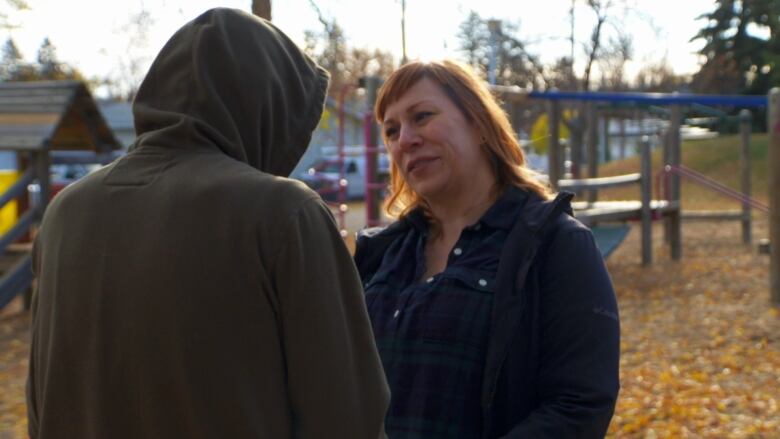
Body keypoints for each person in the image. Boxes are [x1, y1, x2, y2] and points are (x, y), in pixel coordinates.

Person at [27, 8, 389, 439]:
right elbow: (348, 418)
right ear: (268, 107)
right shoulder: (283, 213)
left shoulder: (66, 212)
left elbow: (40, 403)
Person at [354, 60, 620, 438]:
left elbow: (580, 404)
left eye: (423, 116)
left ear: (478, 123)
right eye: (392, 131)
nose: (405, 140)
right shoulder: (382, 253)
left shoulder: (555, 244)